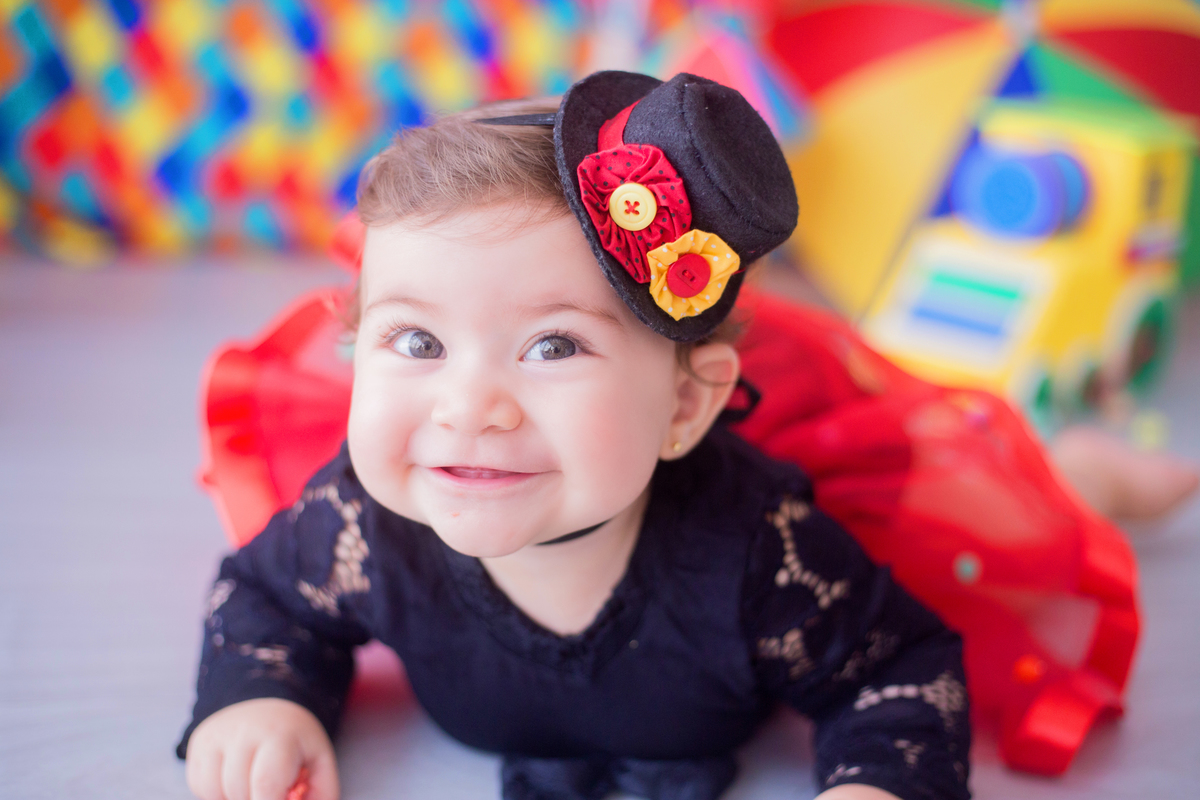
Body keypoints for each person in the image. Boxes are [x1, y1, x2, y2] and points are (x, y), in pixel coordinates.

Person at [179, 72, 971, 800]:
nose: (467, 408)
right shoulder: (361, 526)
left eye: (552, 347)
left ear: (684, 409)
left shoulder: (759, 552)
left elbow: (897, 667)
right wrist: (262, 696)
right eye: (417, 342)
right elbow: (265, 596)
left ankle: (1089, 474)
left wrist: (875, 784)